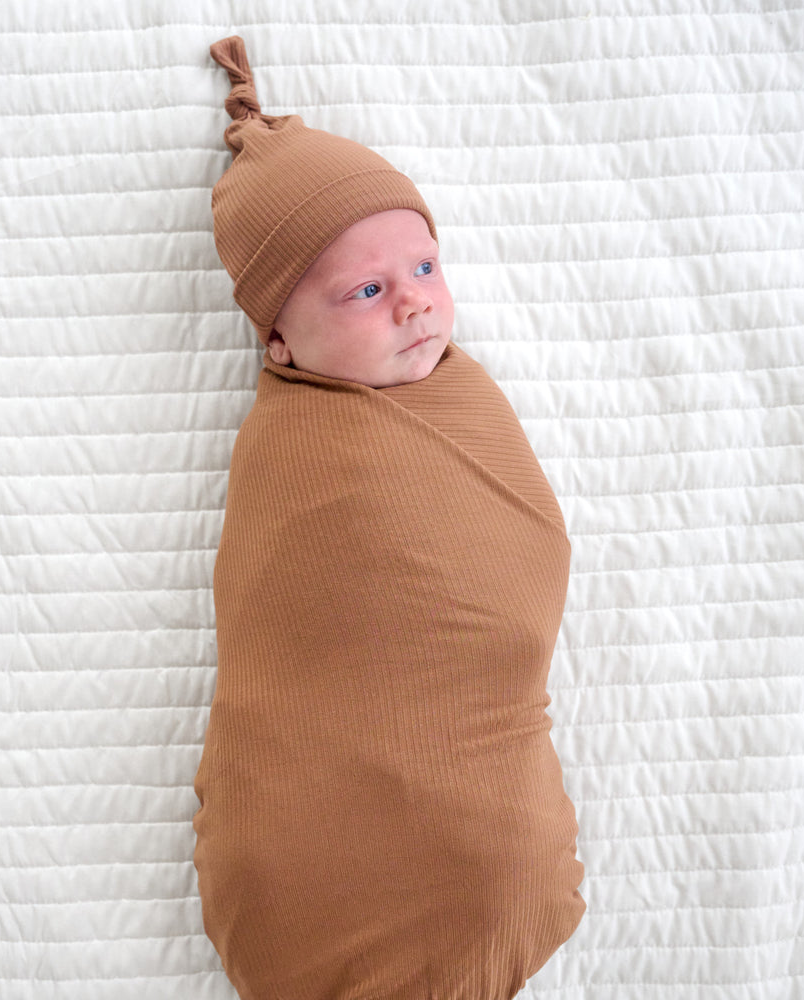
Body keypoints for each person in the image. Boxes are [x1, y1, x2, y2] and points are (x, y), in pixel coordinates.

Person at [194, 36, 585, 1000]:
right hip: (309, 818)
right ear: (280, 335)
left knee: (497, 866)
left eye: (425, 264)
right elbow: (284, 619)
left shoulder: (466, 396)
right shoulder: (293, 448)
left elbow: (518, 561)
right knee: (296, 869)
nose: (415, 303)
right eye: (367, 290)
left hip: (480, 797)